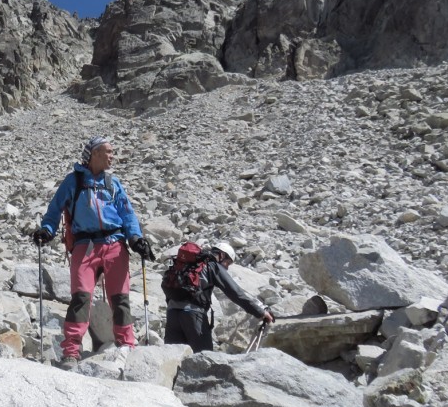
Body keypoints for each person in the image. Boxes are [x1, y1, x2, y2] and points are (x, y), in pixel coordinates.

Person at [32, 137, 155, 370]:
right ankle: (71, 351)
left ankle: (126, 345)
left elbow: (127, 215)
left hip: (115, 243)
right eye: (108, 152)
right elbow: (55, 209)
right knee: (80, 298)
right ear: (94, 154)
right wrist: (47, 230)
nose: (112, 156)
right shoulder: (73, 181)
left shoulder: (113, 183)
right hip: (84, 245)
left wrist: (136, 238)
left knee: (120, 299)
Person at [164, 241, 274, 353]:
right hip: (193, 316)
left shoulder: (185, 265)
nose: (226, 267)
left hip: (172, 314)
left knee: (174, 357)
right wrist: (260, 312)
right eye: (228, 263)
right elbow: (236, 293)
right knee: (204, 357)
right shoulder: (212, 265)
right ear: (222, 255)